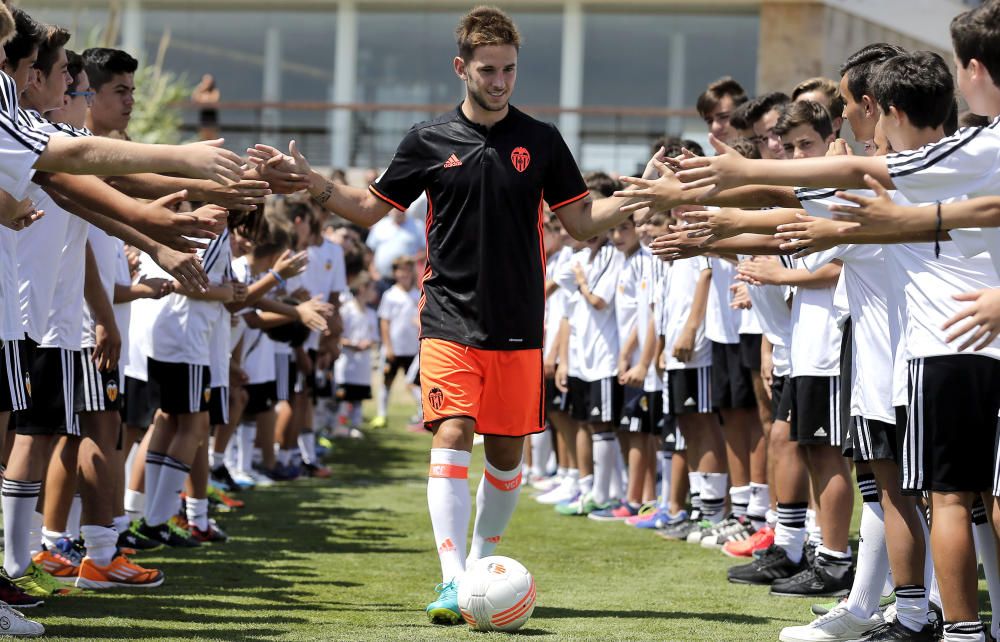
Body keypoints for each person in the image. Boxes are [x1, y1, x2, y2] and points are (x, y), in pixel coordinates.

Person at [246, 5, 643, 624]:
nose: (500, 81)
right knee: (454, 431)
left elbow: (582, 221)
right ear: (462, 68)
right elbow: (368, 209)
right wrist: (308, 180)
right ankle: (455, 578)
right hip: (449, 316)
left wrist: (644, 197)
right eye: (488, 70)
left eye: (509, 69)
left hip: (517, 322)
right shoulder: (426, 140)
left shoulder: (542, 141)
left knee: (508, 452)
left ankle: (484, 560)